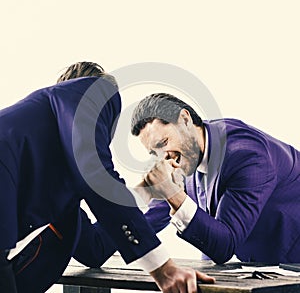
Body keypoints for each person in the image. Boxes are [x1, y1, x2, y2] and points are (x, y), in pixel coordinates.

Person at [0, 63, 214, 293]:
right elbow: (96, 175)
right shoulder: (92, 91)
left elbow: (95, 248)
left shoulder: (61, 189)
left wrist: (148, 191)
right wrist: (163, 268)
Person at [130, 92, 300, 264]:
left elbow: (224, 246)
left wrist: (173, 194)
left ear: (185, 120)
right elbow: (147, 220)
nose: (163, 157)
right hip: (261, 263)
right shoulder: (187, 152)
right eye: (153, 152)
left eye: (163, 143)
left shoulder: (247, 156)